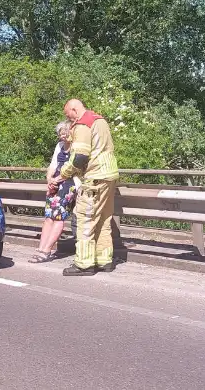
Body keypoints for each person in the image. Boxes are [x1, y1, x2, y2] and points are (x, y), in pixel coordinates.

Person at [57, 98, 119, 276]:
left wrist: (63, 174)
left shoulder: (84, 125)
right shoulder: (100, 120)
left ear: (74, 110)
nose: (70, 121)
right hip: (109, 174)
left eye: (69, 116)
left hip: (95, 177)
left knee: (85, 219)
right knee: (103, 219)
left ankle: (84, 264)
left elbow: (80, 157)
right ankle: (104, 260)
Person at [30, 121, 75, 263]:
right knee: (49, 216)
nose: (62, 135)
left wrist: (58, 179)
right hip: (55, 182)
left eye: (65, 132)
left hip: (69, 184)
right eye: (60, 133)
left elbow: (74, 169)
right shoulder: (60, 146)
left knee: (59, 217)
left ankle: (47, 250)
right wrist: (50, 180)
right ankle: (41, 248)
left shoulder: (76, 148)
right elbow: (53, 165)